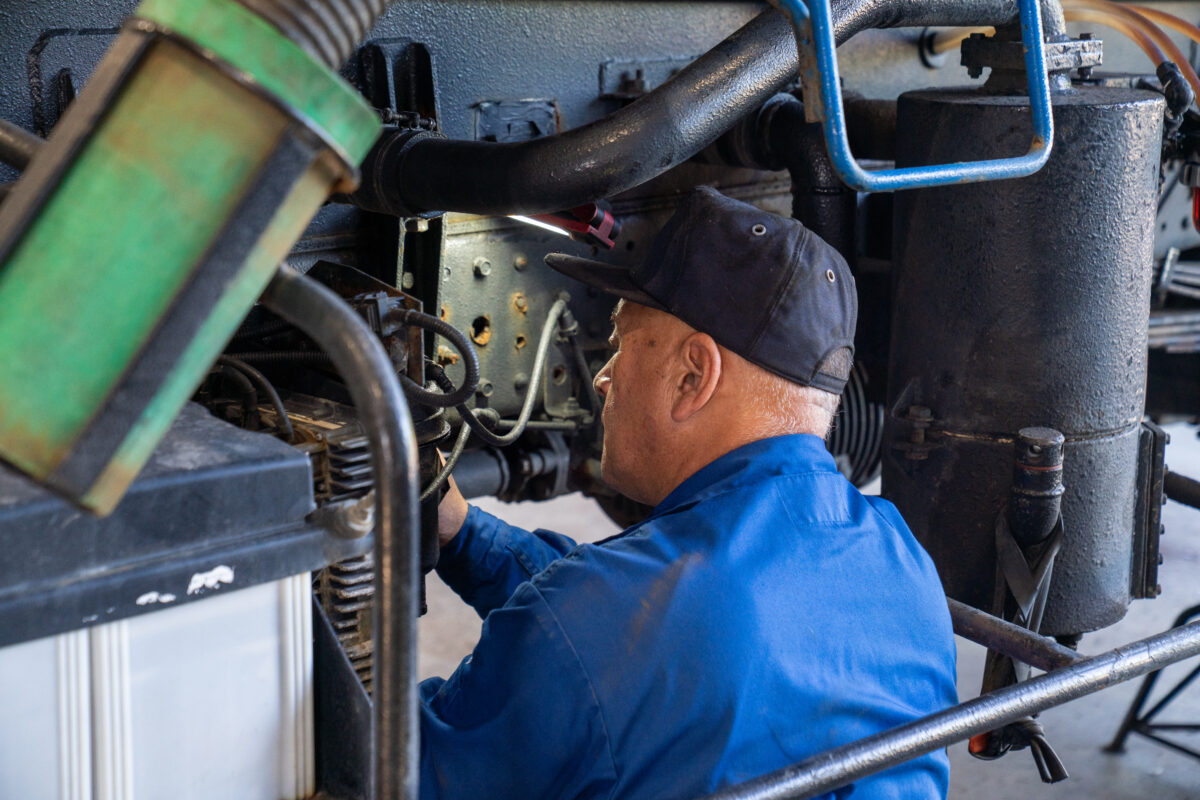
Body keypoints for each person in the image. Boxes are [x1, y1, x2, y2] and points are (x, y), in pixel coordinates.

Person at [419, 187, 957, 799]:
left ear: (693, 375)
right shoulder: (900, 558)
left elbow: (388, 769)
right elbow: (619, 638)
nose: (601, 376)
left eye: (621, 342)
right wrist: (461, 531)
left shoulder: (603, 621)